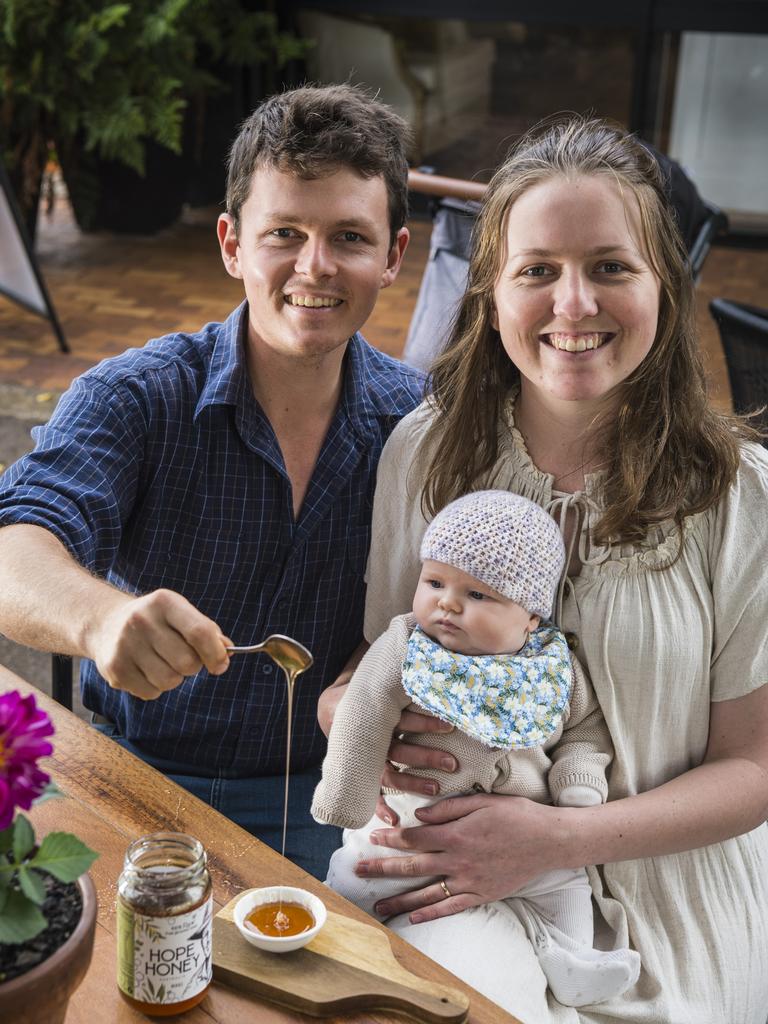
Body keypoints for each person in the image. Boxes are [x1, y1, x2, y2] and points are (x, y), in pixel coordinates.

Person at [317, 115, 768, 1021]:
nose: (573, 305)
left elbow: (753, 766)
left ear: (665, 291)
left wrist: (557, 836)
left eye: (610, 266)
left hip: (666, 898)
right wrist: (355, 715)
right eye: (537, 271)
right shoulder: (424, 454)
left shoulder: (741, 493)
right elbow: (378, 663)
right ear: (490, 294)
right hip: (447, 873)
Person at [0, 84, 424, 879]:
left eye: (349, 237)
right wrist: (101, 620)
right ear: (232, 244)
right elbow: (13, 545)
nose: (315, 265)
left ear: (394, 256)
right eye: (285, 233)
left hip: (328, 801)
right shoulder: (138, 394)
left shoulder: (420, 424)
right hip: (133, 780)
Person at [312, 489, 640, 1008]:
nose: (447, 603)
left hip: (529, 833)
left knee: (566, 887)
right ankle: (338, 933)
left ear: (530, 618)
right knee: (361, 875)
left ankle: (568, 958)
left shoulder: (552, 669)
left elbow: (587, 729)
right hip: (412, 820)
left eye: (479, 595)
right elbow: (365, 710)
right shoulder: (406, 647)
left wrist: (578, 789)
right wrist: (347, 796)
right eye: (435, 582)